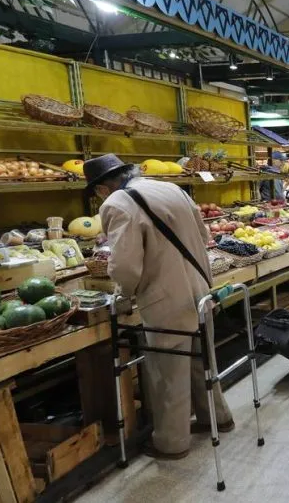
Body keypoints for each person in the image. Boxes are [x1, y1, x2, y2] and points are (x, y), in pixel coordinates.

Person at [83, 154, 233, 460]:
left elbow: (125, 266)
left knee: (168, 373)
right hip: (200, 288)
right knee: (202, 359)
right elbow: (204, 236)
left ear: (101, 188)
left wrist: (123, 294)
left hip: (166, 298)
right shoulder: (170, 188)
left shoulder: (117, 204)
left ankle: (171, 442)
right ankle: (217, 418)